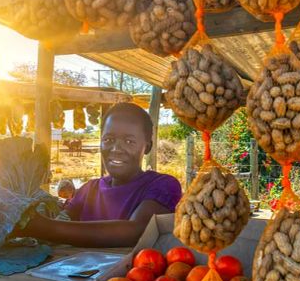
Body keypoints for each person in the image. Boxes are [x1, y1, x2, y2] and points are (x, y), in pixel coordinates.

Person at [14, 102, 182, 247]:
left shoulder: (164, 185)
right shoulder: (88, 189)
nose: (116, 149)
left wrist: (39, 227)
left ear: (148, 147)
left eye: (129, 141)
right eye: (108, 140)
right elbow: (63, 221)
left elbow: (136, 230)